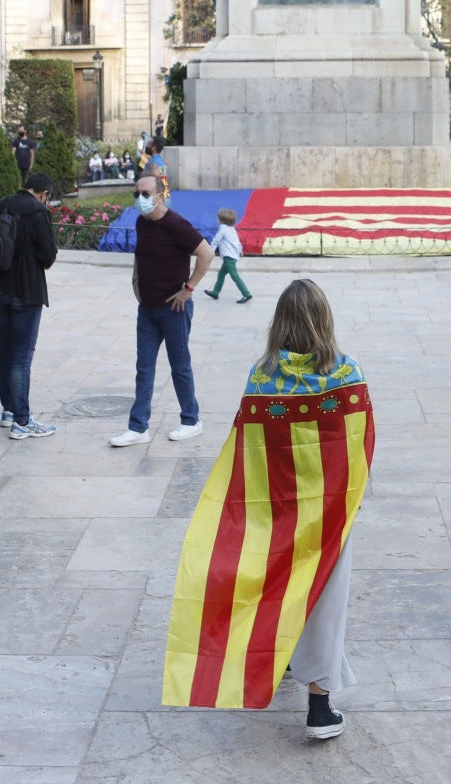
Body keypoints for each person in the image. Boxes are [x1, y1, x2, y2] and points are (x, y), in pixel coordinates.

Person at [162, 280, 373, 740]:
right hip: (329, 511)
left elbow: (249, 446)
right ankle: (319, 705)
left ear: (280, 322)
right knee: (324, 600)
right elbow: (359, 444)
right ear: (325, 319)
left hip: (274, 508)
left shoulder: (263, 376)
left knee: (277, 587)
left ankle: (280, 662)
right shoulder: (346, 372)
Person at [113, 175, 213, 446]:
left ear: (159, 195)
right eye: (136, 194)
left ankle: (191, 420)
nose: (140, 200)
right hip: (147, 309)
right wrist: (135, 280)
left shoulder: (176, 225)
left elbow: (206, 254)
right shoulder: (141, 223)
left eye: (145, 194)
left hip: (173, 309)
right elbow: (140, 254)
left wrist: (188, 289)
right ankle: (138, 427)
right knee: (144, 368)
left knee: (179, 366)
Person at [0, 171, 60, 439]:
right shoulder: (38, 212)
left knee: (4, 350)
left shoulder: (1, 205)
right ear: (44, 193)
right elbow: (49, 255)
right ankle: (22, 421)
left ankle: (8, 410)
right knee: (21, 356)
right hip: (26, 291)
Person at [203, 208, 253, 303]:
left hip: (228, 257)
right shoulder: (231, 228)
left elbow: (216, 240)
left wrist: (210, 251)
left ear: (221, 220)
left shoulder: (222, 228)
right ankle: (215, 292)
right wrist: (240, 250)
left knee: (234, 276)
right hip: (232, 256)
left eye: (218, 218)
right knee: (221, 274)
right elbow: (237, 241)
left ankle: (246, 294)